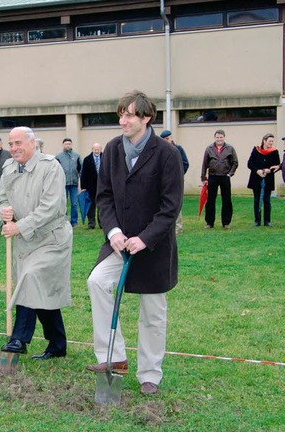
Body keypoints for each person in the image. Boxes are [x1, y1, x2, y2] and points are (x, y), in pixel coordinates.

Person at [86, 91, 183, 396]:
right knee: (97, 282)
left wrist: (145, 238)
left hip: (153, 246)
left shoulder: (167, 154)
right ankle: (113, 356)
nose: (123, 120)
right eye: (120, 114)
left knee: (152, 312)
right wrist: (113, 231)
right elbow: (104, 196)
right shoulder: (114, 149)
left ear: (146, 118)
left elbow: (171, 206)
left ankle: (150, 374)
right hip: (119, 241)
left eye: (129, 115)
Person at [0, 126, 72, 360]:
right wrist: (4, 213)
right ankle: (57, 344)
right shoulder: (8, 167)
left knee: (30, 278)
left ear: (32, 144)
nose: (13, 148)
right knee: (39, 288)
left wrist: (19, 226)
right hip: (24, 243)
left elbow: (49, 208)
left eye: (18, 143)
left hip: (51, 238)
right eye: (10, 144)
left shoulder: (51, 167)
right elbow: (1, 199)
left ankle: (19, 338)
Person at [201, 130, 239, 229]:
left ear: (224, 137)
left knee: (226, 200)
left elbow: (235, 162)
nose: (219, 139)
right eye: (217, 137)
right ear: (215, 138)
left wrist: (230, 174)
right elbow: (204, 164)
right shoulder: (209, 149)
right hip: (213, 177)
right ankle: (209, 222)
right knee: (210, 200)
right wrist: (203, 178)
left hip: (225, 177)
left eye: (221, 137)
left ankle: (226, 223)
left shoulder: (230, 148)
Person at [247, 133, 281, 226]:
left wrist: (269, 170)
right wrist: (257, 171)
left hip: (268, 179)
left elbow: (277, 165)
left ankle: (267, 221)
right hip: (256, 178)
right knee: (257, 199)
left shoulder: (274, 152)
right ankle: (257, 221)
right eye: (269, 141)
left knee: (267, 200)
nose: (271, 143)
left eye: (272, 141)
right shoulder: (256, 150)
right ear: (264, 141)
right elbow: (250, 163)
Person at [160, 130, 189, 234]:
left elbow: (185, 163)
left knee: (176, 202)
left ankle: (178, 227)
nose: (166, 141)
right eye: (164, 139)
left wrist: (178, 175)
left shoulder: (178, 149)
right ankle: (165, 227)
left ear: (171, 138)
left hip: (176, 181)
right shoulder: (160, 150)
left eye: (168, 138)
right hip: (163, 181)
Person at [55, 138, 81, 227]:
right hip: (63, 184)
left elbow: (80, 169)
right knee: (63, 203)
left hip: (74, 183)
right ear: (63, 145)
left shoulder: (77, 156)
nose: (68, 145)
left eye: (69, 144)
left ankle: (74, 221)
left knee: (74, 203)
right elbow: (55, 171)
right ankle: (64, 220)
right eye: (66, 144)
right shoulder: (58, 157)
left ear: (71, 144)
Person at [80, 143, 102, 229]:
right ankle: (91, 223)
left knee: (101, 206)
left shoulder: (106, 158)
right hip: (90, 187)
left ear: (101, 149)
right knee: (91, 206)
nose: (96, 151)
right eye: (95, 149)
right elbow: (83, 174)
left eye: (98, 149)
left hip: (102, 186)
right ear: (92, 149)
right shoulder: (87, 159)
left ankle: (102, 224)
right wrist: (83, 187)